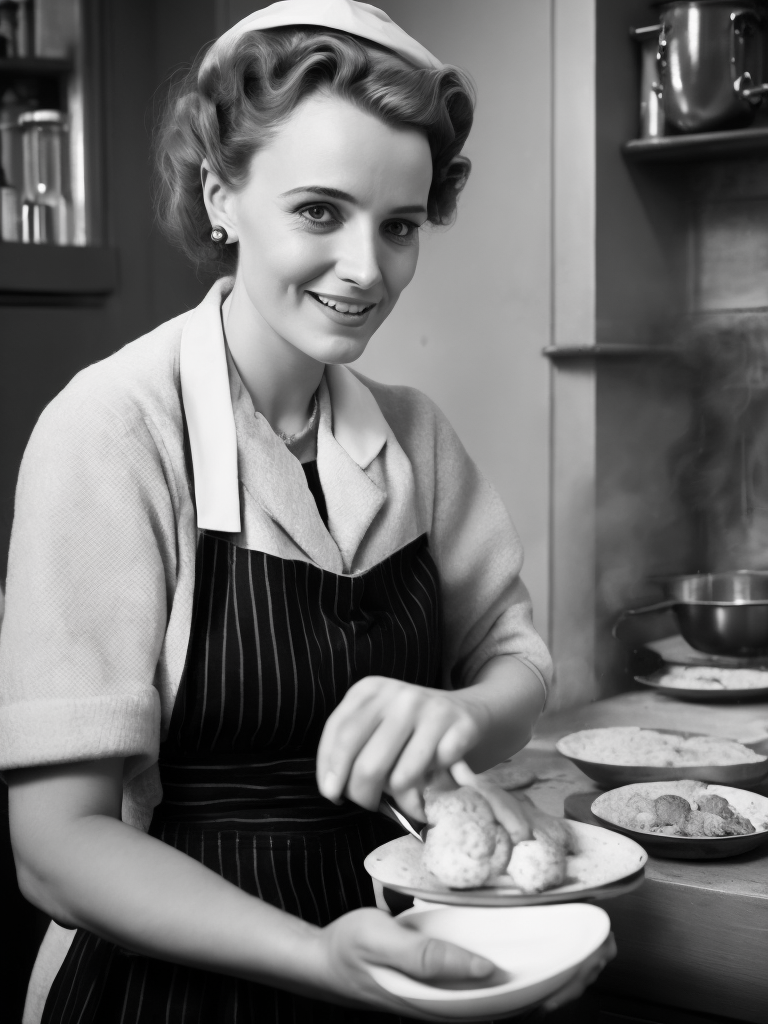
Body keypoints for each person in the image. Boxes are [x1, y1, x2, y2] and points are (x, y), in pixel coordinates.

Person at [0, 2, 613, 1021]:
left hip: (400, 941)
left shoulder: (415, 436)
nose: (369, 269)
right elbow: (57, 849)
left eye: (401, 226)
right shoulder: (115, 431)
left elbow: (520, 663)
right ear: (221, 197)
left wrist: (468, 710)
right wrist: (322, 959)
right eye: (321, 211)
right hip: (173, 984)